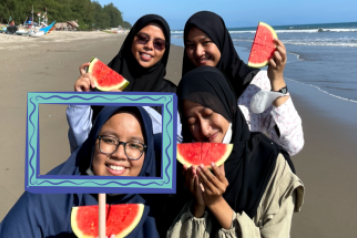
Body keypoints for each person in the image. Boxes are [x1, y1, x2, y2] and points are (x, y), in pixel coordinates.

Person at [166, 67, 304, 238]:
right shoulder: (180, 169)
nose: (204, 129)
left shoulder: (272, 164)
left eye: (208, 114)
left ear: (229, 105)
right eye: (191, 121)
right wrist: (197, 207)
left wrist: (216, 202)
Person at [0, 106, 160, 238]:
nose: (119, 154)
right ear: (92, 143)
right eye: (109, 140)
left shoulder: (161, 206)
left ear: (147, 156)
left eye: (134, 145)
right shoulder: (43, 198)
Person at [182, 11, 304, 156]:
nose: (198, 52)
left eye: (205, 42)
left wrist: (277, 80)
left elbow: (291, 146)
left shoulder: (256, 84)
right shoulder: (188, 89)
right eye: (190, 45)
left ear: (221, 40)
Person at [67, 14, 182, 154]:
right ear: (131, 40)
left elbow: (173, 147)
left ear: (165, 50)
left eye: (158, 43)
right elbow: (79, 144)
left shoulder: (171, 93)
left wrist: (128, 101)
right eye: (142, 38)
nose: (149, 46)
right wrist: (80, 99)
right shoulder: (97, 84)